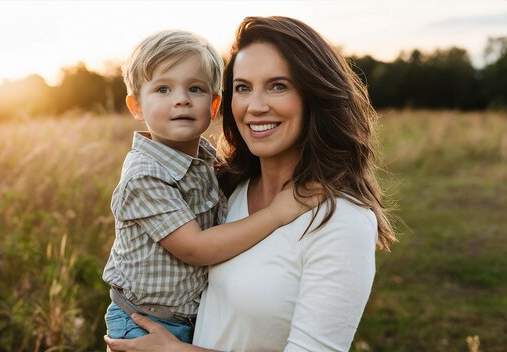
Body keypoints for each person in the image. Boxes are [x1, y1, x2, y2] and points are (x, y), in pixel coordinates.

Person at [105, 16, 397, 352]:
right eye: (243, 87)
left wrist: (175, 351)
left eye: (278, 85)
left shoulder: (339, 220)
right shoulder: (228, 187)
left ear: (313, 96)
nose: (256, 107)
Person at [102, 29, 319, 344]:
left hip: (189, 318)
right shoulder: (144, 176)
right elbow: (196, 248)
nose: (181, 99)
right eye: (163, 89)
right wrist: (276, 213)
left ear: (215, 105)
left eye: (195, 88)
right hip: (143, 321)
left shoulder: (206, 157)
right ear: (136, 106)